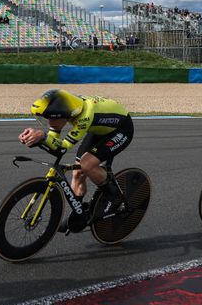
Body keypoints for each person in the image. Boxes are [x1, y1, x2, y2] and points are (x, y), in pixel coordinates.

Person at [19, 89, 133, 231]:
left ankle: (113, 194)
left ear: (64, 115)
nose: (49, 122)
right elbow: (53, 139)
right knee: (77, 172)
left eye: (51, 118)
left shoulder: (84, 117)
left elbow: (62, 148)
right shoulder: (71, 108)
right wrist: (36, 137)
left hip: (121, 130)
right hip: (100, 130)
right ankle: (78, 214)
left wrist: (42, 137)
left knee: (86, 165)